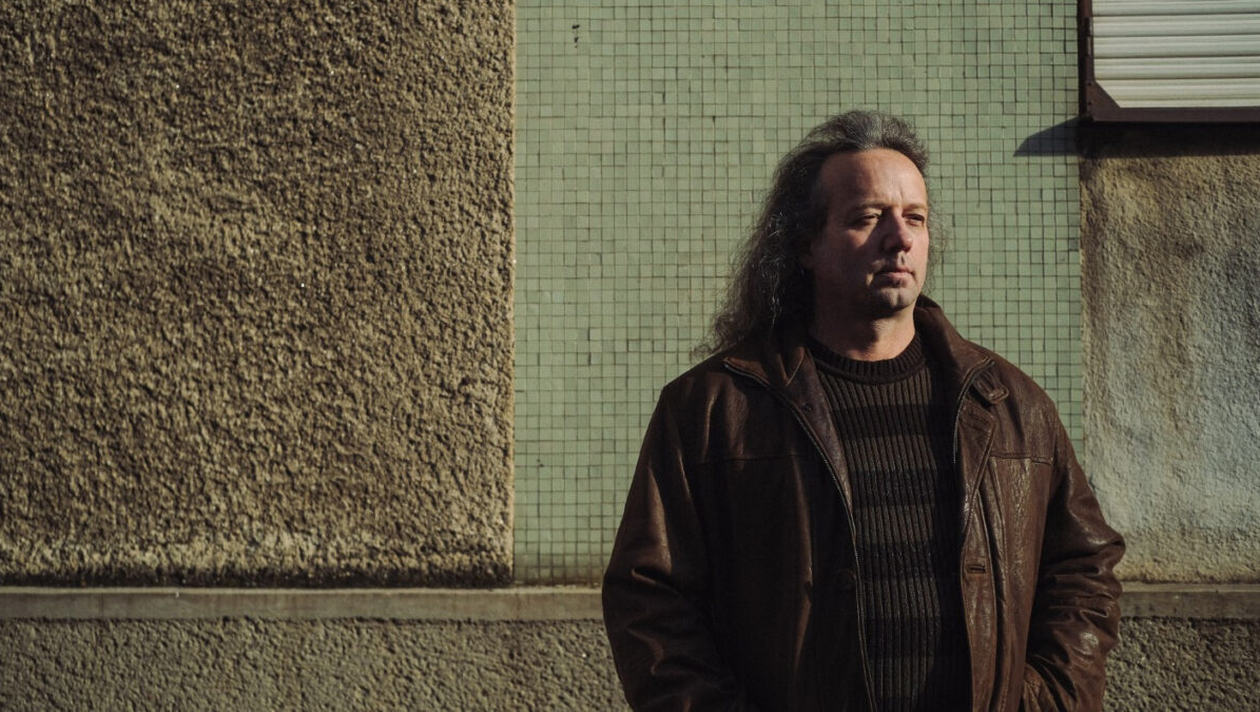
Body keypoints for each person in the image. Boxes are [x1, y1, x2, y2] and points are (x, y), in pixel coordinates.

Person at [602, 110, 1124, 711]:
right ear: (806, 244)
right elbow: (649, 597)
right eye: (867, 217)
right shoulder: (714, 408)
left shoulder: (1010, 405)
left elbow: (1084, 565)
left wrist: (1046, 697)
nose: (899, 238)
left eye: (915, 218)